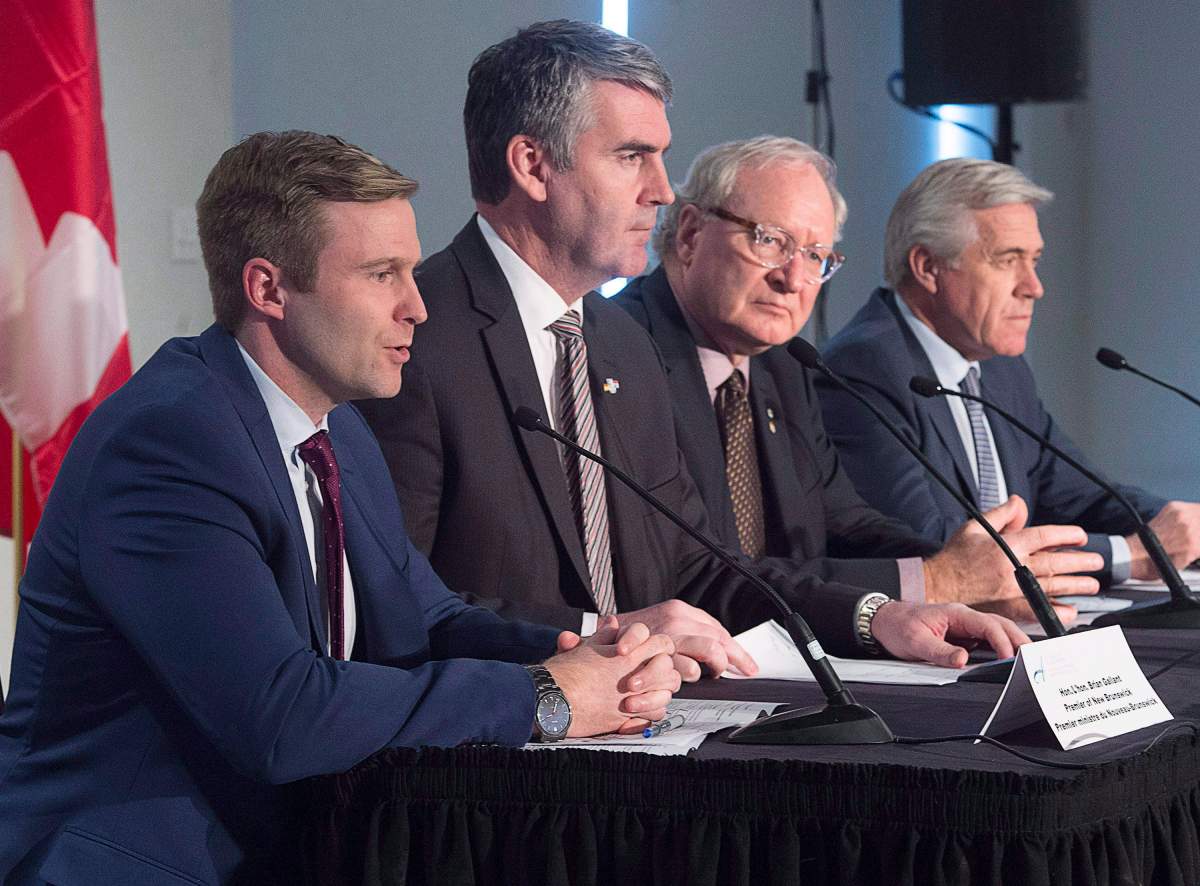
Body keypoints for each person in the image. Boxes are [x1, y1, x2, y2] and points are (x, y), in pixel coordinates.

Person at [0, 131, 682, 885]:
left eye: (412, 272)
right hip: (133, 863)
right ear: (269, 290)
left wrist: (589, 652)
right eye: (383, 274)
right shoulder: (170, 442)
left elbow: (424, 620)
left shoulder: (339, 430)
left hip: (302, 845)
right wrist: (542, 699)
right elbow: (279, 714)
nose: (418, 307)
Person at [359, 20, 1028, 671]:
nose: (662, 189)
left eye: (661, 156)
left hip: (651, 725)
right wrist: (603, 635)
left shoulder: (619, 341)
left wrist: (874, 616)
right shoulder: (414, 336)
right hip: (501, 750)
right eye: (631, 156)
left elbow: (697, 569)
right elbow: (388, 607)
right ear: (534, 166)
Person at [613, 136, 1102, 622]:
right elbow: (702, 572)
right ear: (691, 234)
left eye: (814, 255)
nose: (793, 278)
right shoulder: (622, 354)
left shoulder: (782, 365)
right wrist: (936, 582)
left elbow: (843, 521)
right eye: (770, 241)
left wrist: (974, 564)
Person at [818, 157, 1200, 583]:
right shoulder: (863, 369)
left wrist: (1175, 529)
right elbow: (932, 547)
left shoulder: (1000, 367)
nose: (1034, 287)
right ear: (928, 267)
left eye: (1034, 259)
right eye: (1007, 260)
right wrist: (1129, 554)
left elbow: (1082, 495)